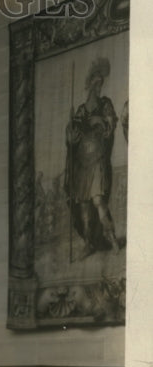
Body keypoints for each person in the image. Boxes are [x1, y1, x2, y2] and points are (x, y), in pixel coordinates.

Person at [64, 57, 120, 256]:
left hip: (96, 160)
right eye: (95, 83)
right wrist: (70, 135)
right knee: (84, 204)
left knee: (97, 200)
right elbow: (72, 136)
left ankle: (112, 238)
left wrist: (103, 121)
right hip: (82, 162)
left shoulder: (105, 104)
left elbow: (110, 125)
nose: (97, 86)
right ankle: (88, 242)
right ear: (89, 85)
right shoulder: (80, 110)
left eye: (100, 83)